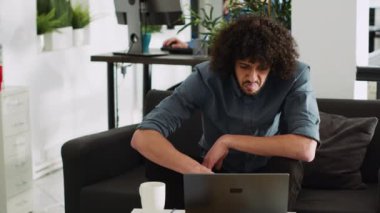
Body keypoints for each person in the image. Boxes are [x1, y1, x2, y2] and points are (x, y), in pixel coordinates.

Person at [132, 15, 320, 211]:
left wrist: (229, 140)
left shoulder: (296, 75)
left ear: (273, 64)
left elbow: (306, 148)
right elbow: (142, 137)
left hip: (268, 170)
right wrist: (196, 171)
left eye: (262, 68)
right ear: (231, 63)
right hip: (214, 170)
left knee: (291, 164)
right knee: (157, 164)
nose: (253, 78)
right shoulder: (206, 77)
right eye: (244, 67)